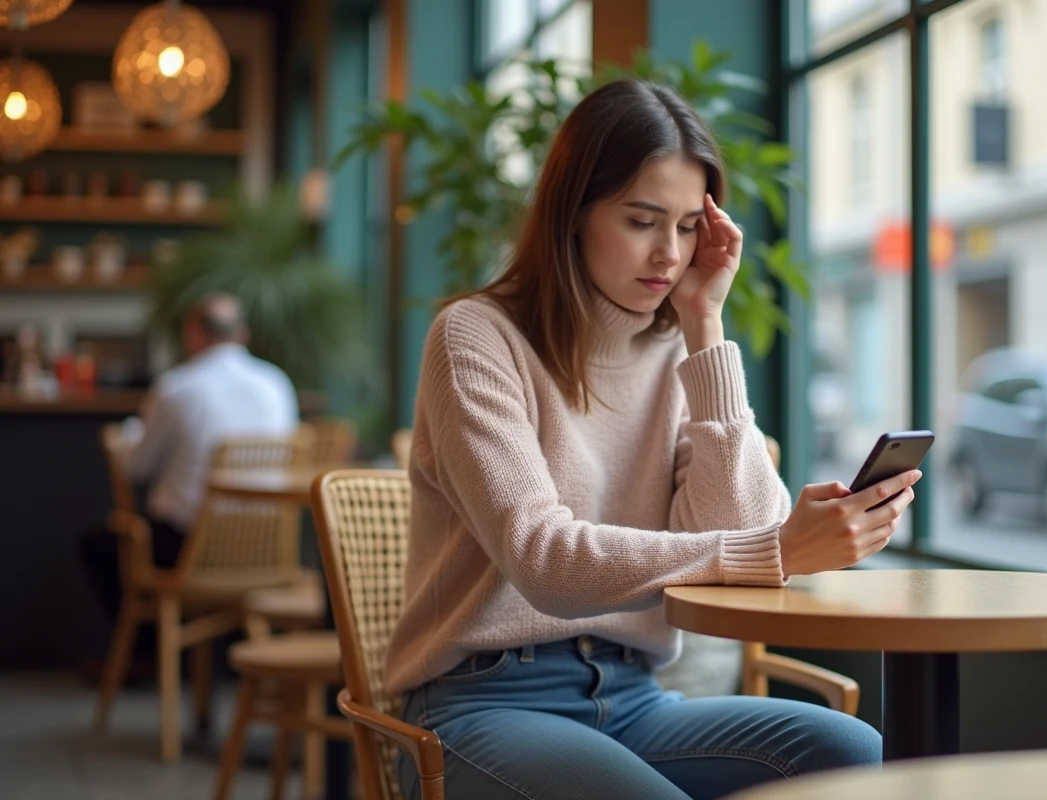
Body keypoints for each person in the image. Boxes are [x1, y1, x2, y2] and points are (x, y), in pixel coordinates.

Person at [389, 78, 922, 800]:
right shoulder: (476, 338)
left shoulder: (674, 352)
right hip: (482, 703)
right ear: (573, 214)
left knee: (857, 754)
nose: (668, 254)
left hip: (634, 694)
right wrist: (780, 549)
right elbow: (542, 559)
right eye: (642, 220)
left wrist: (705, 328)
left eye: (684, 227)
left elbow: (745, 530)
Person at [79, 293, 299, 675]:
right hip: (269, 547)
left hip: (189, 547)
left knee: (101, 543)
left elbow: (138, 467)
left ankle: (147, 657)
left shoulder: (178, 387)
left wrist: (126, 441)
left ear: (194, 334)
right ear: (242, 334)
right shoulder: (276, 383)